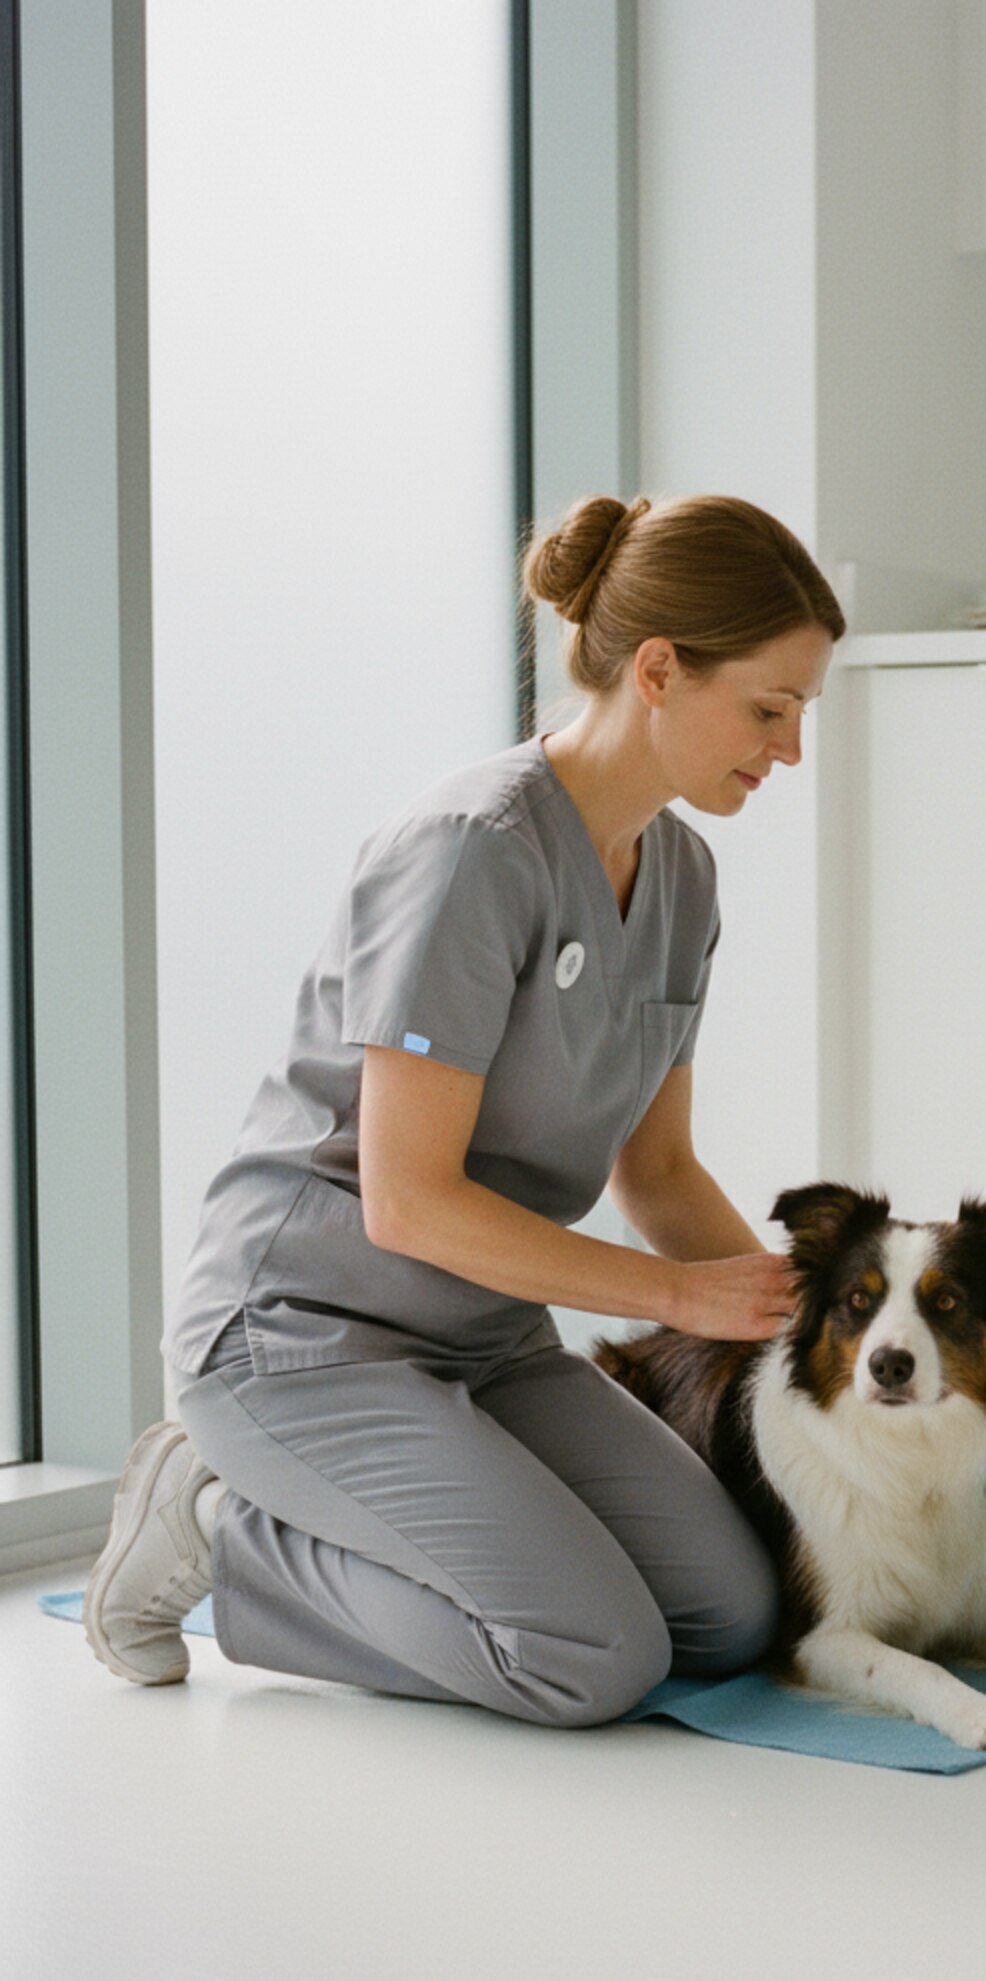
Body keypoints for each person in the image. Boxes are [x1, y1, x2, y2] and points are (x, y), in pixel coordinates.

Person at [83, 492, 841, 1727]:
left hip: (486, 1340)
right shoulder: (470, 851)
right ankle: (212, 1522)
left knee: (728, 1615)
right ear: (658, 669)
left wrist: (814, 1323)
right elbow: (407, 1195)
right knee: (587, 1654)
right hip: (305, 1336)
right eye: (770, 708)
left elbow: (657, 1173)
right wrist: (670, 1298)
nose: (790, 749)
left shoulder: (685, 877)